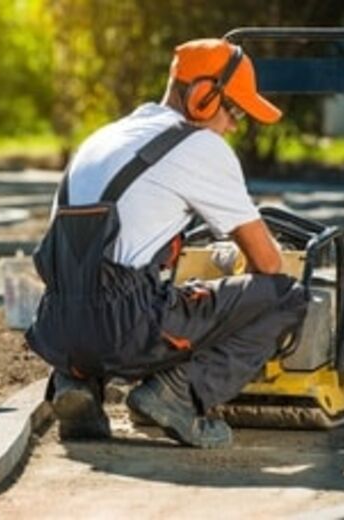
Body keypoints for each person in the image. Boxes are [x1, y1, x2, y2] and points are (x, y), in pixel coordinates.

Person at [25, 38, 308, 448]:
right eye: (234, 111)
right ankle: (178, 392)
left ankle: (78, 382)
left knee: (120, 289)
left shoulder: (103, 138)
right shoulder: (199, 146)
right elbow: (267, 263)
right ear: (202, 96)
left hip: (55, 324)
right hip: (122, 327)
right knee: (285, 296)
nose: (233, 126)